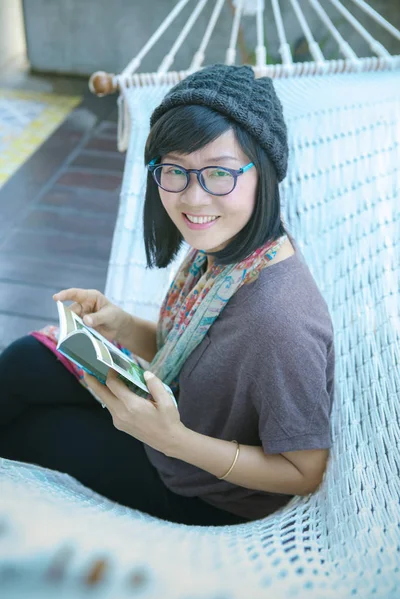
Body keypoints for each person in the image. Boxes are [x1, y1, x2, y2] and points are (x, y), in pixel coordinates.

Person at [0, 64, 335, 526]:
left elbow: (307, 469)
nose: (193, 199)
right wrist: (124, 326)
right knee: (23, 360)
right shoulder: (231, 251)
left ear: (266, 175)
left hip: (200, 488)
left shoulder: (280, 321)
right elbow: (206, 355)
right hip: (170, 418)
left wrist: (173, 440)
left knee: (24, 432)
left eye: (219, 173)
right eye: (175, 171)